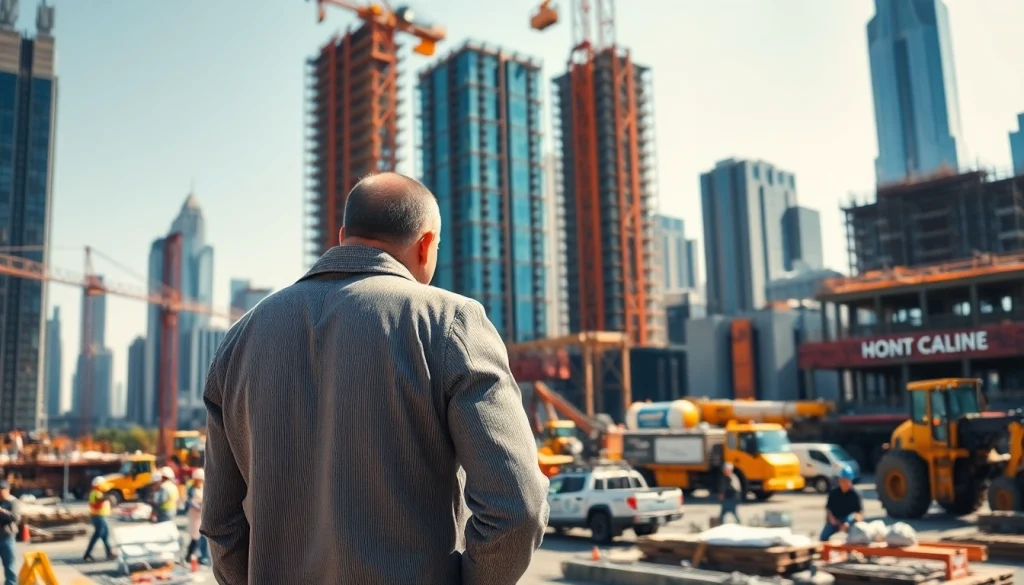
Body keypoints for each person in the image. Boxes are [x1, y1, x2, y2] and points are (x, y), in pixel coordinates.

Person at [202, 172, 550, 585]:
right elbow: (517, 508)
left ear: (344, 234)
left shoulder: (240, 339)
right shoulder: (450, 324)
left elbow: (222, 524)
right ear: (425, 245)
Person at [820, 466, 863, 541]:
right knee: (823, 537)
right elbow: (828, 508)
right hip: (835, 520)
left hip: (849, 522)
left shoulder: (855, 495)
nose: (844, 483)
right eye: (843, 481)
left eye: (847, 481)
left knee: (855, 538)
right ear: (839, 481)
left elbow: (859, 513)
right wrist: (832, 519)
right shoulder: (833, 493)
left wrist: (848, 524)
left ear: (850, 481)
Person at [83, 477, 115, 562]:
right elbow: (97, 501)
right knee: (98, 535)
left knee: (105, 535)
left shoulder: (98, 493)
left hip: (100, 516)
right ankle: (87, 554)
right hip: (98, 517)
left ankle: (109, 553)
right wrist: (107, 498)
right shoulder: (95, 493)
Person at [185, 469, 209, 564]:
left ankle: (204, 557)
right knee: (195, 536)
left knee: (203, 536)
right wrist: (198, 506)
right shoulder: (192, 489)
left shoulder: (204, 487)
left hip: (203, 515)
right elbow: (190, 501)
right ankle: (189, 555)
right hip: (195, 515)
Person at [0, 480, 19, 585]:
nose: (1, 493)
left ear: (8, 490)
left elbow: (16, 517)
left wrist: (3, 511)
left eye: (2, 490)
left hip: (7, 538)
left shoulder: (13, 501)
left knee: (9, 566)